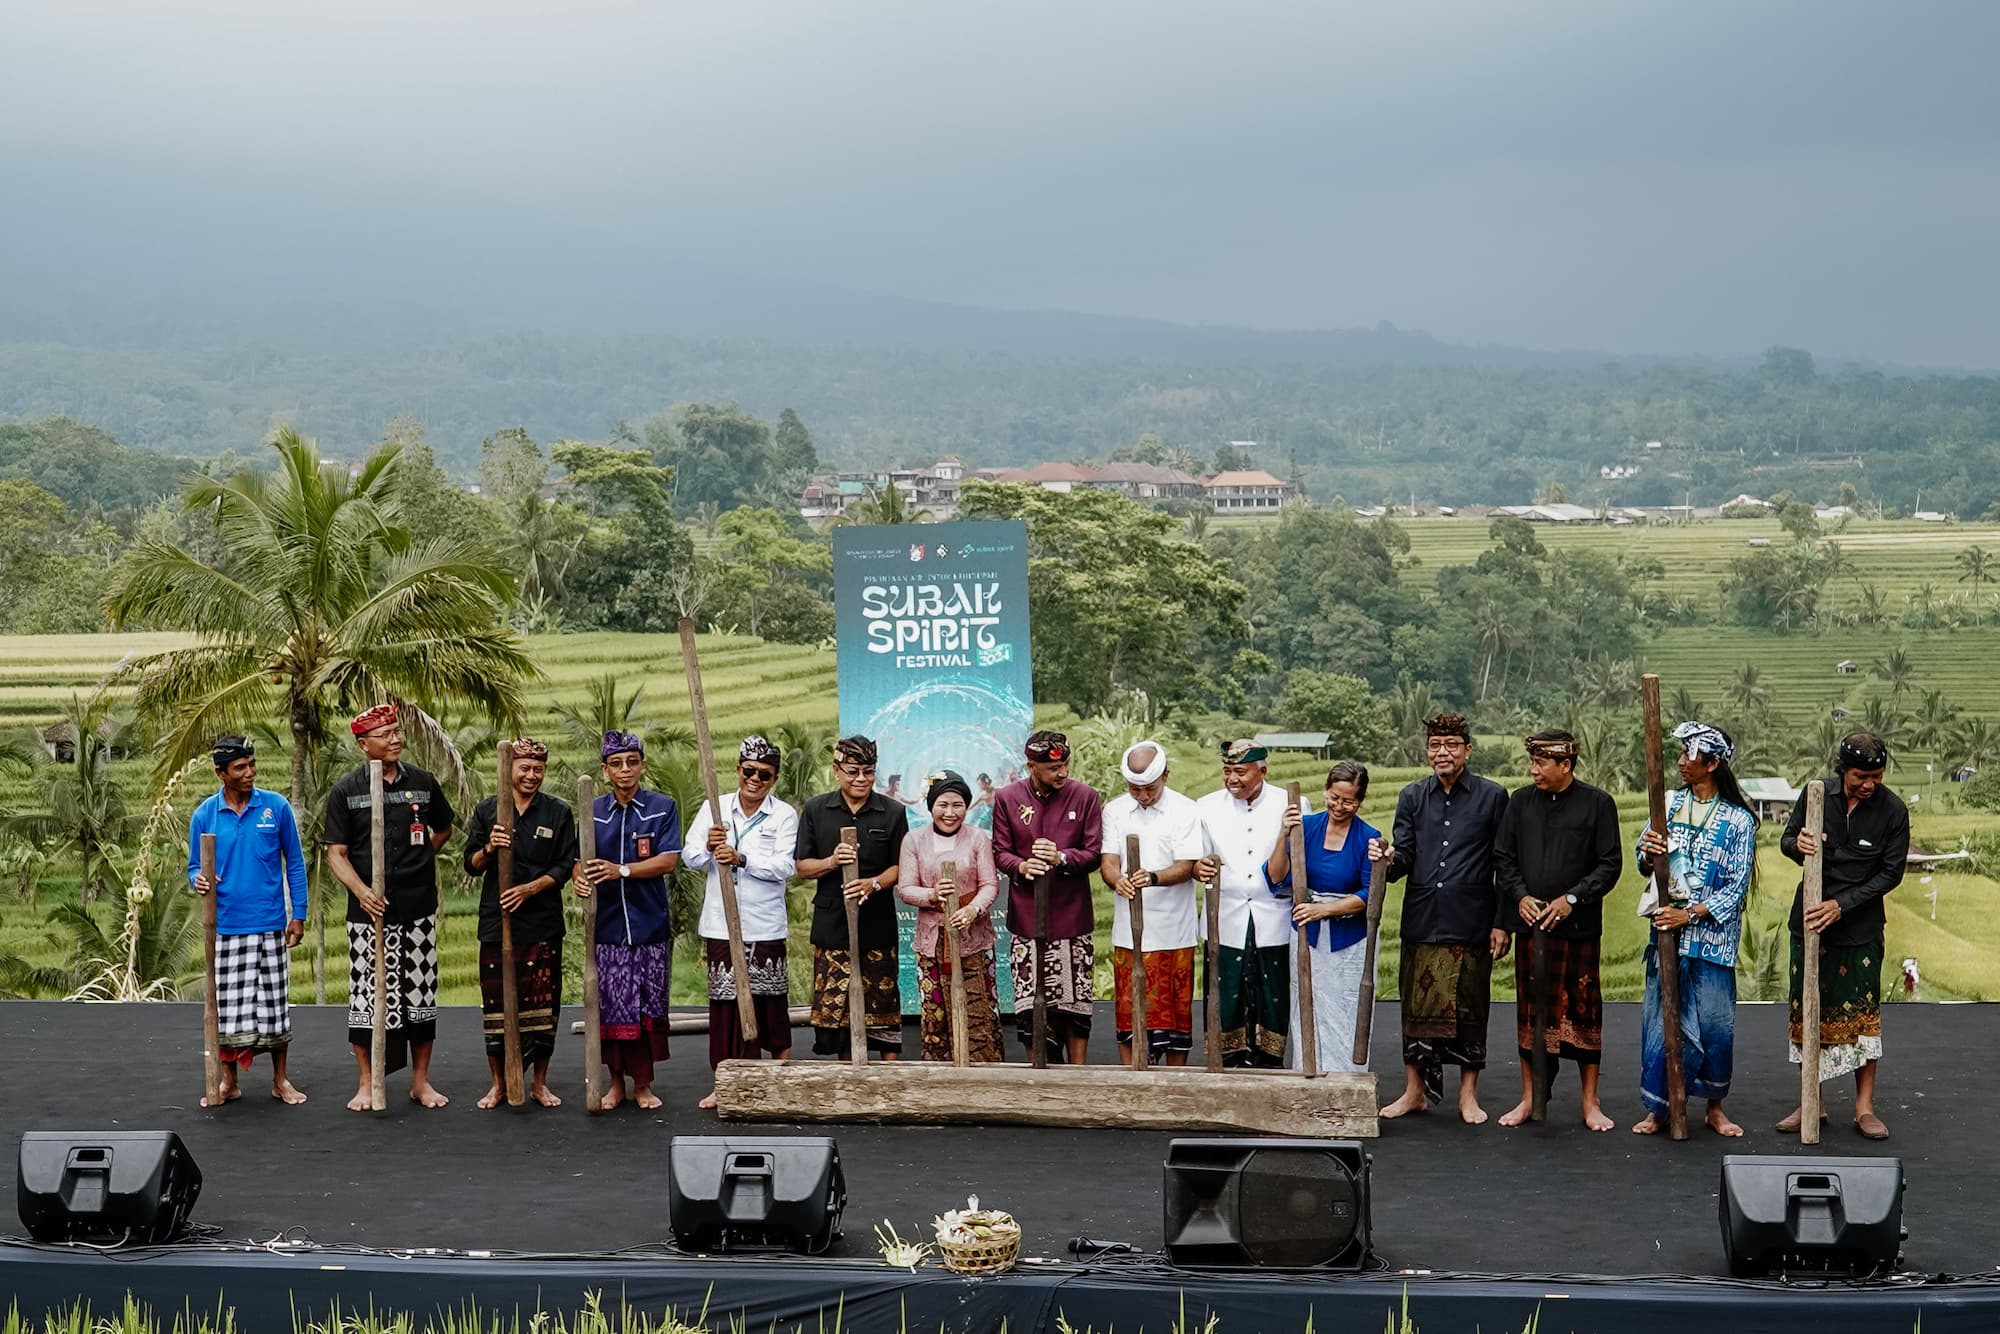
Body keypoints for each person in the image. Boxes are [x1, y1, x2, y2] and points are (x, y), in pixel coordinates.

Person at [1379, 712, 1511, 1123]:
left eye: (1451, 745)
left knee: (1471, 1010)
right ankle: (1414, 1092)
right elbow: (1404, 857)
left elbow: (1504, 864)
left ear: (1468, 750)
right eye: (1435, 745)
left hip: (1471, 920)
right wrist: (1388, 859)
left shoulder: (1492, 797)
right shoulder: (1412, 796)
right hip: (1422, 917)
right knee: (1415, 1011)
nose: (1443, 753)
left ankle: (1467, 1096)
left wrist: (1502, 922)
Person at [1777, 730, 1908, 1141]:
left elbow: (1890, 874)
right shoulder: (1816, 796)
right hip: (1810, 923)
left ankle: (1864, 1108)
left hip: (1860, 928)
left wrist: (1842, 905)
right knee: (1807, 1012)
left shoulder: (1893, 811)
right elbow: (1786, 840)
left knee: (1863, 1019)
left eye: (1876, 776)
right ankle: (1810, 1102)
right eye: (1859, 776)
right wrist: (1796, 843)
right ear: (1842, 771)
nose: (1868, 784)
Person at [324, 704, 455, 1111]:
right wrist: (362, 891)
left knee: (421, 992)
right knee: (366, 996)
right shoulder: (347, 790)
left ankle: (420, 1081)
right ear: (365, 745)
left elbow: (444, 827)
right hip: (368, 914)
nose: (396, 739)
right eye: (385, 734)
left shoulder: (423, 782)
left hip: (417, 908)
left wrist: (418, 863)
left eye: (397, 732)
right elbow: (336, 853)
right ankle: (366, 1083)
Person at [1632, 721, 1757, 1138]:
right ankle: (1660, 1107)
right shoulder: (1667, 804)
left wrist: (1691, 914)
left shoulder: (1739, 821)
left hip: (1711, 942)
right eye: (1682, 754)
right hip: (1666, 935)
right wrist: (1648, 855)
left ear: (1713, 763)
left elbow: (1736, 887)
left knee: (1715, 1026)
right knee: (1659, 1022)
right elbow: (1642, 858)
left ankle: (1714, 1107)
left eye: (1691, 756)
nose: (1682, 763)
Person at [1494, 729, 1623, 1130]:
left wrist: (1572, 899)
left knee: (1585, 1014)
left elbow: (1610, 864)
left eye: (1541, 763)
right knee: (1529, 1013)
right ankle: (1529, 1097)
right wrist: (1519, 896)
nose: (1533, 770)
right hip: (1532, 928)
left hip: (1578, 928)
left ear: (1565, 765)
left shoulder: (1598, 804)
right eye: (1531, 763)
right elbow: (1503, 857)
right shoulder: (1519, 802)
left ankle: (1590, 1102)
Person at [186, 735, 309, 1106]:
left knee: (274, 1006)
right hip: (226, 927)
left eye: (251, 765)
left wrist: (298, 914)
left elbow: (296, 863)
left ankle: (280, 1080)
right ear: (221, 773)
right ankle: (229, 1082)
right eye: (240, 768)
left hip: (270, 922)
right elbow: (194, 866)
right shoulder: (205, 814)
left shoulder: (276, 807)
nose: (249, 773)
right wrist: (199, 879)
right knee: (229, 1009)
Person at [684, 736, 800, 1109]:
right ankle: (725, 1084)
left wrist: (742, 858)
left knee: (771, 1006)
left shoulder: (783, 815)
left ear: (774, 778)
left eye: (764, 775)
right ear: (737, 770)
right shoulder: (714, 809)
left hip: (764, 925)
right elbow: (689, 857)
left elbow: (786, 866)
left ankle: (779, 1081)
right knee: (725, 1008)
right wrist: (707, 844)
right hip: (721, 924)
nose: (755, 779)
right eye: (748, 771)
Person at [463, 738, 577, 1109]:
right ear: (510, 769)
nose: (531, 775)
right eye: (524, 768)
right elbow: (470, 864)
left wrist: (529, 889)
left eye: (538, 769)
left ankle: (539, 1083)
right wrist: (489, 849)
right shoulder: (488, 811)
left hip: (541, 923)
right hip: (498, 924)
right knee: (495, 1006)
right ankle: (499, 1084)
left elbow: (564, 867)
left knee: (543, 1009)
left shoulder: (557, 813)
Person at [574, 730, 682, 1110]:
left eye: (632, 762)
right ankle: (616, 1084)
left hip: (649, 925)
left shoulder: (661, 807)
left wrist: (621, 871)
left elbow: (668, 860)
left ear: (642, 766)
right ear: (605, 770)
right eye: (616, 763)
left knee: (648, 1008)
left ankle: (644, 1085)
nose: (625, 770)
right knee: (612, 1009)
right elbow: (577, 862)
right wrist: (580, 882)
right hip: (606, 929)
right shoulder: (593, 810)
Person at [991, 730, 1105, 1065]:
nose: (1063, 773)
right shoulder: (1008, 798)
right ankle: (1037, 1074)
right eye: (1054, 768)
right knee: (1029, 1010)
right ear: (1032, 767)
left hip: (1072, 917)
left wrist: (1062, 858)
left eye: (1066, 764)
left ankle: (1079, 1075)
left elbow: (1094, 853)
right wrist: (1022, 866)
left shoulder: (1085, 797)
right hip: (1026, 919)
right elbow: (1000, 851)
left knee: (1075, 1007)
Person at [1264, 761, 1385, 1075]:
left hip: (1350, 939)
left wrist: (1324, 909)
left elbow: (1368, 895)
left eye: (1348, 801)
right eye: (1334, 798)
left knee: (1347, 1008)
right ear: (1325, 792)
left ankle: (1346, 1081)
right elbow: (1276, 878)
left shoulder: (1368, 837)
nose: (1339, 806)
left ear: (1360, 801)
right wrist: (1283, 833)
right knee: (1307, 1005)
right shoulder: (1306, 827)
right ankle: (1308, 1075)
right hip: (1307, 934)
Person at [1194, 741, 1308, 1068]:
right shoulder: (1205, 807)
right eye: (1227, 771)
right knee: (1225, 991)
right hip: (1224, 917)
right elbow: (1196, 860)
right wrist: (1198, 867)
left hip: (1273, 915)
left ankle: (1269, 1064)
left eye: (1241, 772)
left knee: (1271, 993)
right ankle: (1225, 1063)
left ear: (1263, 771)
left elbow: (1300, 858)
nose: (1232, 779)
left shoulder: (1292, 804)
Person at [797, 736, 909, 1060]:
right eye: (853, 771)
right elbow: (802, 866)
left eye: (868, 771)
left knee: (884, 1002)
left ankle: (890, 1079)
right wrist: (832, 861)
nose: (861, 779)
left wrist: (873, 883)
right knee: (840, 1011)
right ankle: (849, 1074)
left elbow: (901, 866)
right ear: (836, 771)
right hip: (833, 924)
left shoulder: (892, 811)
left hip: (877, 921)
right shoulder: (817, 809)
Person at [1099, 741, 1203, 1066]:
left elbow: (1187, 865)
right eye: (1135, 789)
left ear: (1166, 777)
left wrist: (1154, 878)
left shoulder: (1186, 810)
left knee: (1176, 1015)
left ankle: (1174, 1084)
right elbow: (1108, 862)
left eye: (1150, 789)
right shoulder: (1114, 810)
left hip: (1174, 930)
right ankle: (1134, 1079)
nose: (1143, 796)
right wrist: (1118, 879)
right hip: (1130, 932)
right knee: (1130, 1013)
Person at [896, 770, 1005, 1062]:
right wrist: (932, 895)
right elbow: (905, 888)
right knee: (936, 1013)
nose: (950, 812)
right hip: (932, 942)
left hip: (975, 940)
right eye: (942, 804)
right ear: (931, 806)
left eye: (957, 804)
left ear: (966, 806)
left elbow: (990, 884)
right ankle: (940, 1079)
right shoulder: (914, 840)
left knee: (979, 1009)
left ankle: (985, 1077)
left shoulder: (978, 838)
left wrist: (973, 909)